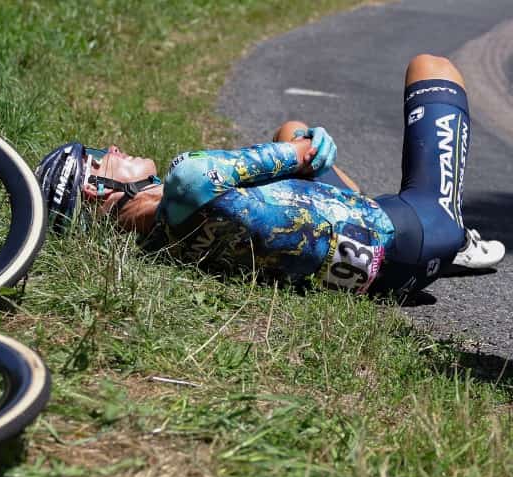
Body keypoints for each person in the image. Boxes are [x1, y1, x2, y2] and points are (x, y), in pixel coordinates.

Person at [36, 54, 504, 296]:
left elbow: (290, 154)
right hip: (422, 231)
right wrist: (311, 145)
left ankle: (435, 241)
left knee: (288, 128)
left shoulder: (158, 247)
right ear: (94, 191)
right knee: (430, 66)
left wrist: (299, 146)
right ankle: (458, 238)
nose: (114, 148)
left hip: (388, 282)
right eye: (99, 157)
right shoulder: (188, 178)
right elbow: (305, 153)